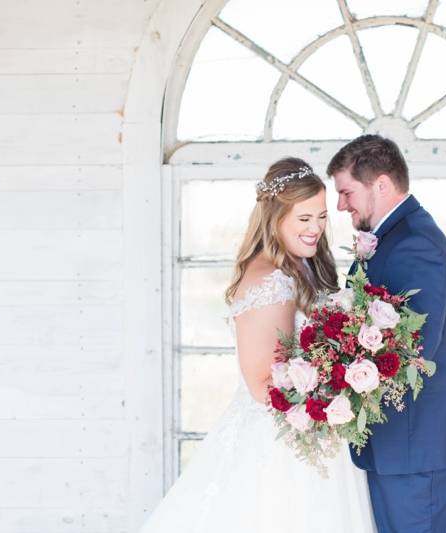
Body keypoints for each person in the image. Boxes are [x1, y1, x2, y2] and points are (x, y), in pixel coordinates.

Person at [138, 157, 376, 533]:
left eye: (321, 216)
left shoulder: (296, 269)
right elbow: (264, 383)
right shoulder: (273, 281)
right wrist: (337, 389)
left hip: (310, 434)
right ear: (276, 216)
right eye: (304, 219)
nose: (316, 228)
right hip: (283, 447)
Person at [327, 135, 446, 533]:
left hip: (421, 448)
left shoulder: (415, 244)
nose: (341, 205)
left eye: (346, 192)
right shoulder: (394, 238)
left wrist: (332, 379)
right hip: (400, 448)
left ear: (381, 184)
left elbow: (412, 350)